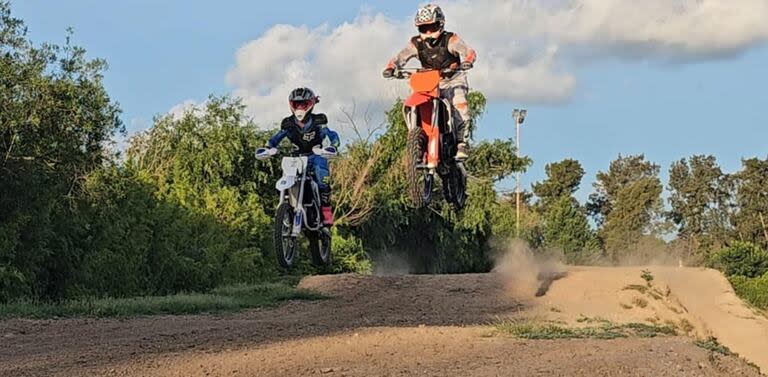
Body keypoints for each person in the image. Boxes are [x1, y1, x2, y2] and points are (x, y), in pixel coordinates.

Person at [382, 3, 477, 160]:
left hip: (452, 80)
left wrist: (468, 60)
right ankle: (417, 139)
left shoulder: (450, 39)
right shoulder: (416, 43)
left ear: (440, 23)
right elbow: (400, 57)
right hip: (428, 82)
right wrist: (391, 67)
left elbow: (469, 52)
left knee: (459, 104)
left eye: (431, 26)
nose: (428, 32)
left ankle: (462, 143)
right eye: (423, 28)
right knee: (413, 101)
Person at [263, 87, 340, 227]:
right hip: (296, 158)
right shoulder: (288, 123)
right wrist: (268, 148)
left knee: (322, 174)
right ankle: (286, 209)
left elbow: (332, 134)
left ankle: (326, 208)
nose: (299, 108)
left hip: (316, 155)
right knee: (284, 177)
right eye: (296, 104)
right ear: (291, 105)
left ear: (310, 104)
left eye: (303, 104)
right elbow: (276, 138)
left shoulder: (318, 121)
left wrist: (334, 146)